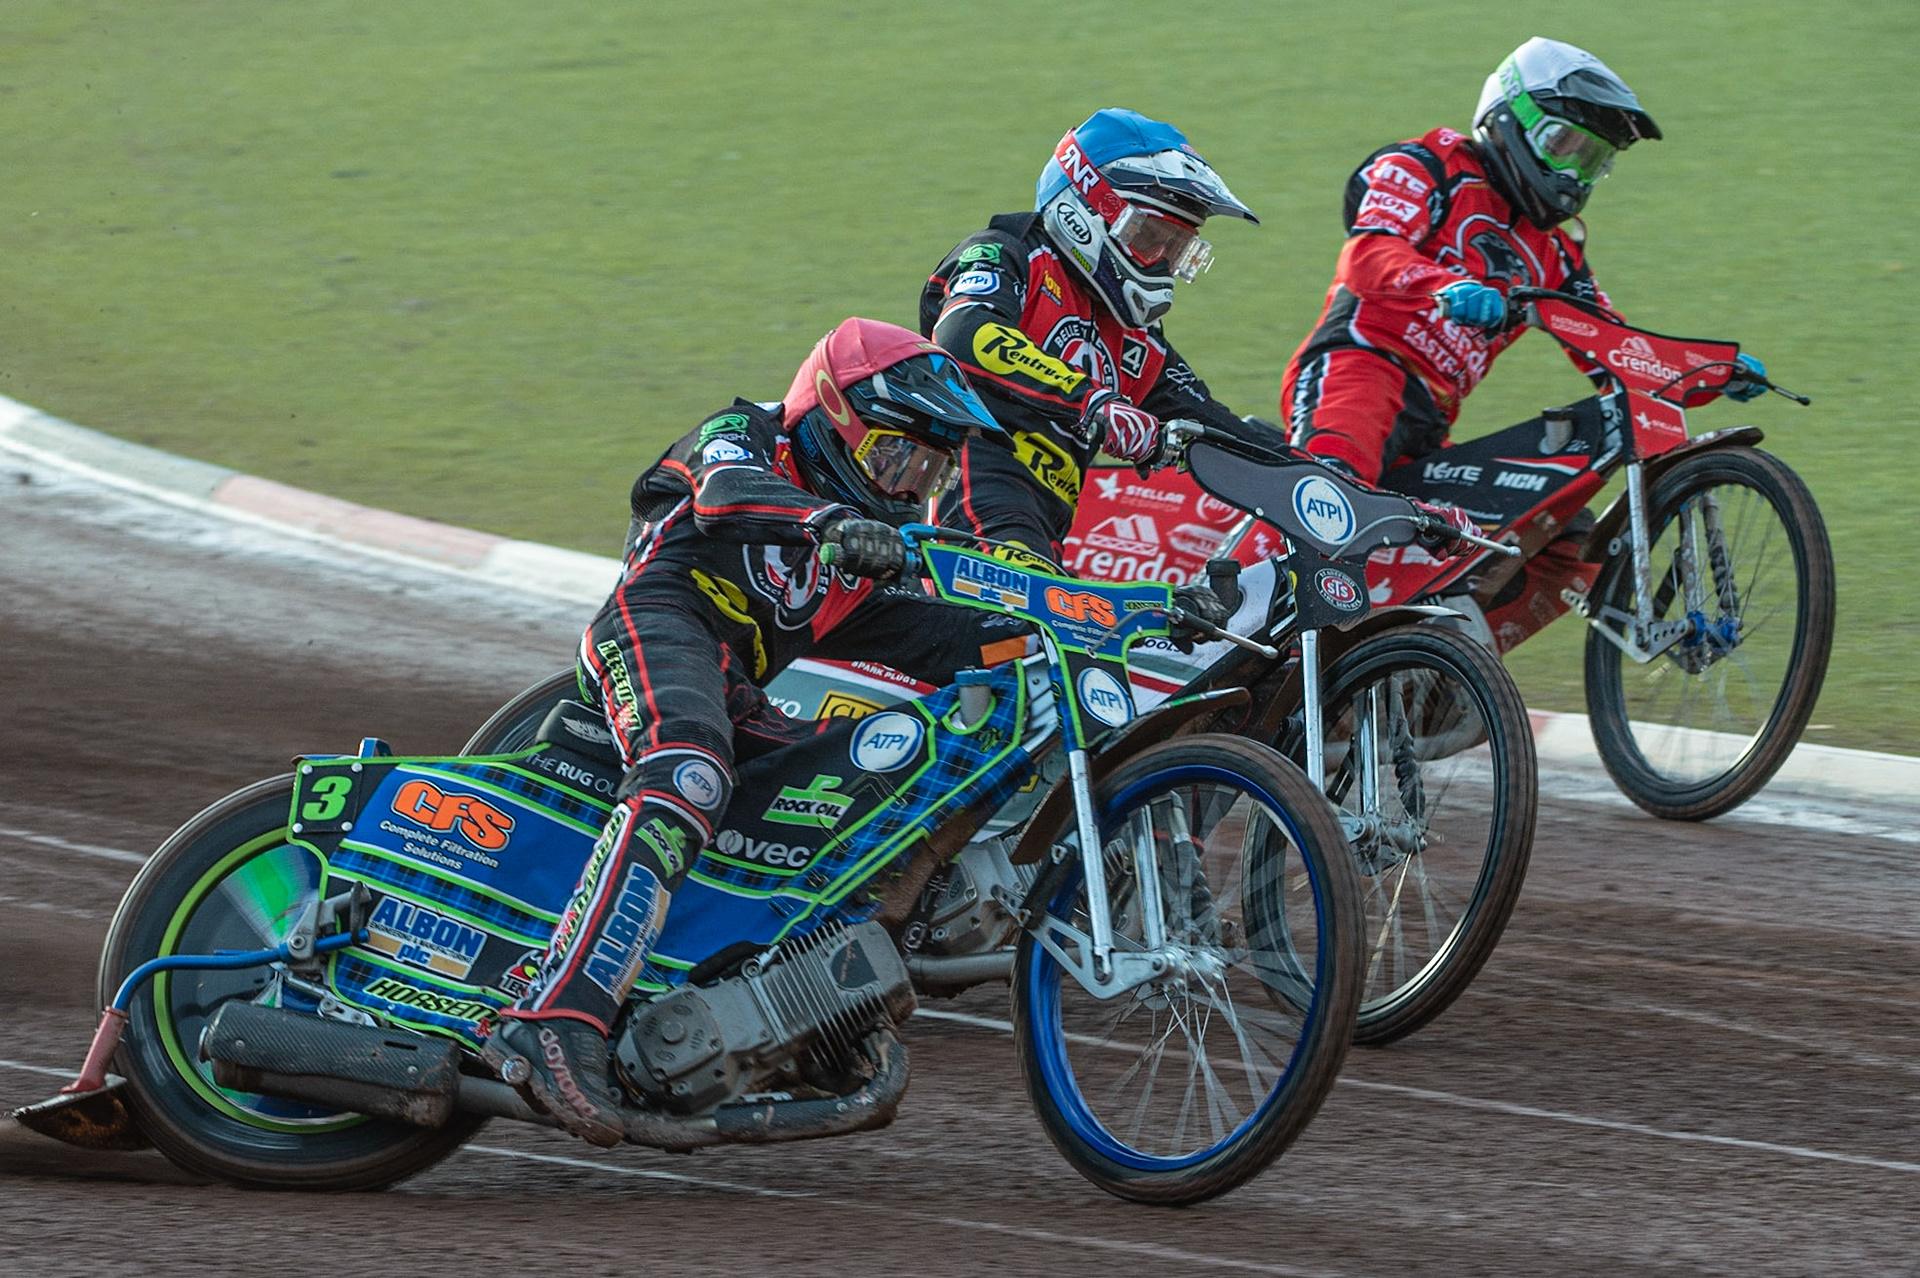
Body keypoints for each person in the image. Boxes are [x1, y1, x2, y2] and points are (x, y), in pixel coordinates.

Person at [481, 318, 1021, 1145]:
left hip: (736, 689)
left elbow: (955, 637)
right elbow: (726, 495)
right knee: (689, 771)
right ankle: (556, 1013)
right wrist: (831, 523)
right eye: (896, 457)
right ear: (833, 414)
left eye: (930, 469)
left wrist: (1099, 628)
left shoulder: (855, 566)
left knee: (856, 800)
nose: (911, 489)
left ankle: (773, 1009)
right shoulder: (748, 435)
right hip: (656, 625)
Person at [1277, 37, 1767, 653]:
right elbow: (1367, 255)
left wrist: (1705, 370)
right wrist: (1449, 285)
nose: (1572, 173)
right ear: (1509, 117)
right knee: (1328, 498)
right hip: (1357, 367)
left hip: (1430, 426)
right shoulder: (1425, 165)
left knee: (1573, 548)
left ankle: (1433, 686)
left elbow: (1614, 350)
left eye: (1592, 160)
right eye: (1565, 145)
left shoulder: (1558, 255)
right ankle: (1245, 631)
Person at [918, 107, 1276, 593]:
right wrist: (1093, 402)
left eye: (1177, 248)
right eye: (1152, 238)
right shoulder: (1008, 253)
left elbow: (1218, 426)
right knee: (1040, 623)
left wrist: (1352, 493)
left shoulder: (1139, 339)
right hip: (973, 483)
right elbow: (963, 334)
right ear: (1084, 207)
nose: (1163, 261)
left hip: (1048, 522)